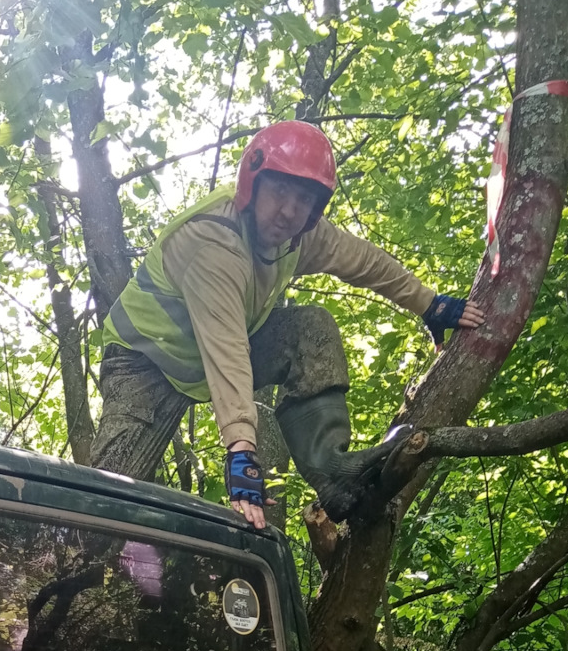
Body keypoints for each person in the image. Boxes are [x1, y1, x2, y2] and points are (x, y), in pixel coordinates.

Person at [91, 120, 485, 525]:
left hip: (213, 352)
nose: (289, 211)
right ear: (253, 183)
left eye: (304, 199)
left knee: (309, 328)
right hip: (145, 362)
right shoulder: (214, 242)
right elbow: (226, 349)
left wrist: (430, 304)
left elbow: (363, 260)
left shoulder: (297, 237)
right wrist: (242, 452)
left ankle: (333, 470)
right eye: (280, 191)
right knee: (103, 502)